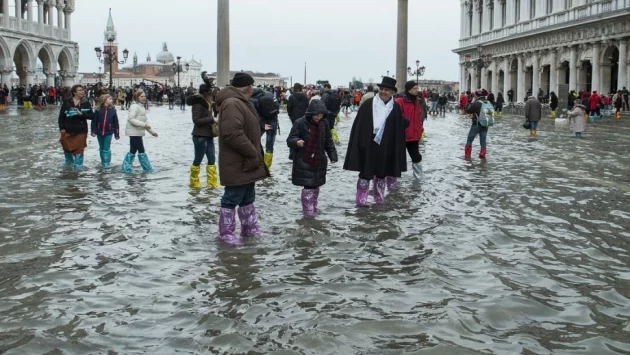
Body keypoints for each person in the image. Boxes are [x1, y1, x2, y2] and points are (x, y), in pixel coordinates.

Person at [215, 72, 269, 245]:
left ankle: (250, 228)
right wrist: (252, 152)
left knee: (247, 195)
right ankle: (226, 233)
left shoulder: (241, 102)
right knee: (233, 195)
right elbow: (232, 133)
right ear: (248, 87)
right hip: (237, 160)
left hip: (247, 160)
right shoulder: (232, 103)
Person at [344, 77, 408, 206]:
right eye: (382, 89)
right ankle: (361, 198)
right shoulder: (368, 104)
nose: (383, 92)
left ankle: (379, 197)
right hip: (369, 143)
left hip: (386, 145)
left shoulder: (395, 107)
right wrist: (361, 142)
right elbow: (359, 125)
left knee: (382, 172)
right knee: (366, 171)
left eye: (387, 90)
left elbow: (397, 126)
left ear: (392, 92)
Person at [287, 100, 338, 217]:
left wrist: (333, 156)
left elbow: (329, 142)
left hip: (319, 160)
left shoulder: (324, 123)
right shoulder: (299, 122)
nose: (318, 117)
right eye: (316, 115)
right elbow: (290, 139)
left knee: (316, 185)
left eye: (320, 115)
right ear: (310, 113)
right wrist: (297, 142)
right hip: (304, 160)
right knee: (308, 186)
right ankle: (308, 212)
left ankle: (313, 207)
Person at [187, 74, 220, 188]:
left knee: (212, 159)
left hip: (209, 134)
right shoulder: (198, 103)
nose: (212, 95)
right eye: (211, 93)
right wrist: (212, 119)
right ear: (207, 94)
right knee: (198, 159)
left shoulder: (209, 103)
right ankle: (194, 182)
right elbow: (196, 120)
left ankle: (212, 184)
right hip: (199, 135)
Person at [121, 91, 158, 173]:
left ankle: (125, 168)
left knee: (132, 150)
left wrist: (152, 132)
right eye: (141, 96)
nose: (144, 98)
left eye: (144, 96)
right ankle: (147, 169)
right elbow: (130, 119)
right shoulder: (134, 107)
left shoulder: (142, 107)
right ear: (137, 97)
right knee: (141, 150)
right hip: (133, 132)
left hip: (138, 132)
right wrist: (143, 125)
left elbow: (146, 122)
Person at [58, 85, 94, 169]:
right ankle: (68, 170)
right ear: (74, 92)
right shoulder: (67, 102)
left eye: (83, 90)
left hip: (81, 130)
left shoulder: (86, 103)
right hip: (67, 130)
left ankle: (78, 170)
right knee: (67, 150)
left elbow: (92, 116)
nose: (82, 92)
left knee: (79, 150)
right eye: (80, 90)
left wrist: (81, 114)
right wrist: (62, 128)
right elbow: (61, 117)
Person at [395, 81, 424, 182]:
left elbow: (419, 117)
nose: (417, 90)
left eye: (417, 88)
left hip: (414, 136)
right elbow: (396, 118)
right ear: (408, 89)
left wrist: (421, 130)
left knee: (416, 157)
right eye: (415, 88)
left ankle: (418, 180)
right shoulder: (399, 101)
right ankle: (393, 181)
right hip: (401, 135)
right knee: (397, 158)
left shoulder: (417, 101)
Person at [250, 85, 280, 171]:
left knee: (255, 142)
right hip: (273, 121)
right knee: (270, 145)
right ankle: (267, 168)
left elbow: (254, 113)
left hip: (261, 122)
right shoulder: (269, 94)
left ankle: (258, 163)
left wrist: (262, 124)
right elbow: (277, 107)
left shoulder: (252, 98)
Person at [91, 94, 120, 168]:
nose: (111, 100)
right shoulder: (98, 110)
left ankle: (107, 163)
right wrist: (93, 131)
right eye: (109, 99)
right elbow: (94, 121)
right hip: (99, 132)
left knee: (106, 148)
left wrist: (117, 134)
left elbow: (116, 123)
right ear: (104, 100)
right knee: (101, 148)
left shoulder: (113, 110)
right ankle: (103, 162)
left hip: (109, 132)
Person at [464, 89, 490, 159]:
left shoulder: (477, 103)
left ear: (476, 95)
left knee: (469, 140)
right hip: (486, 124)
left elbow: (468, 111)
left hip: (477, 124)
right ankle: (482, 156)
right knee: (483, 140)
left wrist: (471, 102)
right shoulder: (487, 102)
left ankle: (467, 156)